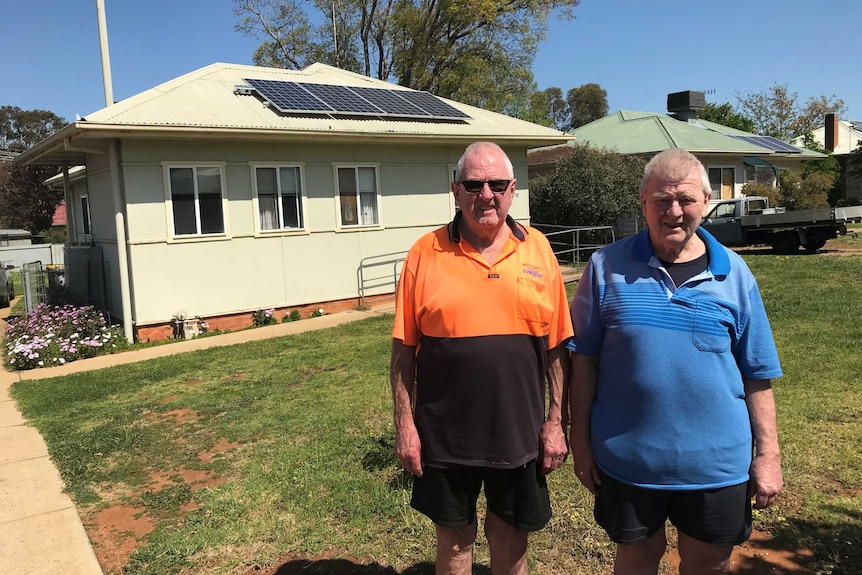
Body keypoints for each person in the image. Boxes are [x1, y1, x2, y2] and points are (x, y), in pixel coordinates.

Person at [568, 148, 783, 575]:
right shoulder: (604, 268)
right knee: (636, 559)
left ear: (705, 202)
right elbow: (584, 362)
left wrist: (769, 454)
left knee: (708, 564)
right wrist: (580, 439)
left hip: (716, 464)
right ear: (643, 204)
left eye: (685, 199)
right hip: (629, 460)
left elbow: (757, 374)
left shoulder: (735, 275)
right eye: (661, 200)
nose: (674, 211)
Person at [390, 141, 574, 575]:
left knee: (511, 541)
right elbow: (403, 352)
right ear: (456, 191)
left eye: (495, 184)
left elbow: (557, 348)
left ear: (512, 190)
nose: (485, 194)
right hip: (446, 436)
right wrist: (405, 426)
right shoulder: (424, 253)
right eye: (473, 184)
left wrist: (555, 423)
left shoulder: (539, 250)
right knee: (454, 544)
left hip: (520, 431)